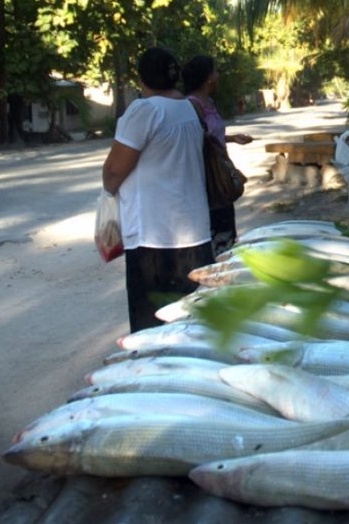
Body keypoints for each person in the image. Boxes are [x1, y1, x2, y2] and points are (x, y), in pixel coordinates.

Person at [102, 47, 213, 332]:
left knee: (155, 330)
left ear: (143, 78)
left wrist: (109, 188)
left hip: (155, 240)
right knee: (195, 326)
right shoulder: (189, 108)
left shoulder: (145, 110)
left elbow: (114, 171)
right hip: (195, 235)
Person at [181, 55, 253, 254]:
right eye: (215, 71)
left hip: (219, 175)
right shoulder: (192, 104)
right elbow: (198, 140)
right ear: (207, 78)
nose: (218, 76)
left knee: (226, 229)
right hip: (207, 179)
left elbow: (211, 137)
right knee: (215, 233)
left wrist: (231, 138)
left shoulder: (209, 102)